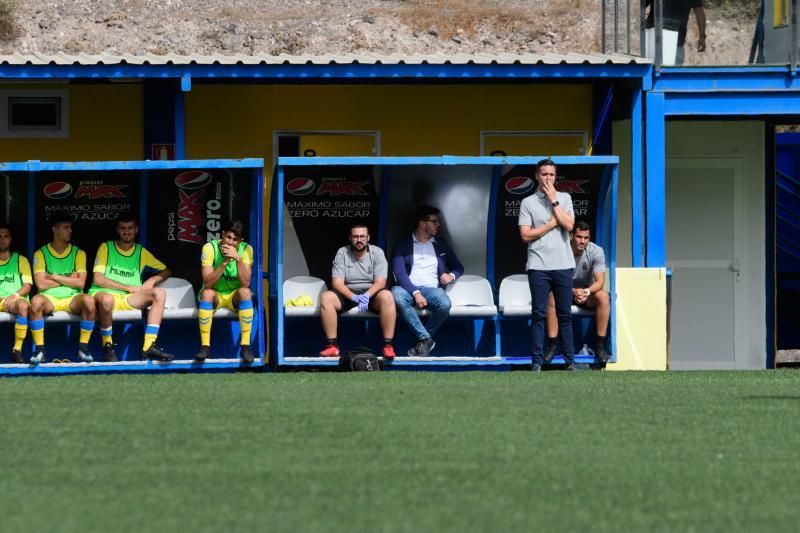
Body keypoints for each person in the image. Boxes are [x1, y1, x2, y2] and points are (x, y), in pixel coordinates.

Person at [518, 159, 579, 371]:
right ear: (537, 176)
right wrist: (552, 224)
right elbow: (525, 235)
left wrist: (554, 201)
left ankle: (569, 361)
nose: (548, 178)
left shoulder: (564, 198)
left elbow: (570, 225)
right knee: (539, 314)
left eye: (552, 175)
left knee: (565, 314)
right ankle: (536, 361)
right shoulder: (528, 202)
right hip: (538, 266)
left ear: (556, 176)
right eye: (544, 174)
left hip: (563, 265)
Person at [88, 214, 173, 362]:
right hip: (105, 295)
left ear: (136, 230)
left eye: (130, 228)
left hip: (128, 298)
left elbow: (167, 271)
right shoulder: (106, 247)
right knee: (107, 300)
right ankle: (107, 346)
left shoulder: (141, 252)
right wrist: (128, 287)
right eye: (123, 228)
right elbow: (98, 279)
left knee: (159, 293)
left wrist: (152, 280)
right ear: (117, 230)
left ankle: (148, 347)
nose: (126, 232)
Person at [391, 206, 463, 356]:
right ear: (422, 224)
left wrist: (451, 276)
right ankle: (425, 338)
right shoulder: (403, 244)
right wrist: (416, 293)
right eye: (434, 221)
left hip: (432, 289)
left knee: (444, 304)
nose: (438, 225)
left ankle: (423, 340)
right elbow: (400, 273)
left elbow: (458, 267)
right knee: (396, 296)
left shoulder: (440, 244)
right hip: (407, 289)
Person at [318, 223, 396, 359]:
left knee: (387, 296)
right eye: (355, 236)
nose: (359, 240)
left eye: (362, 236)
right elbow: (337, 283)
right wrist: (354, 297)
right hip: (347, 296)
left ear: (368, 238)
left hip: (371, 296)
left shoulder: (377, 252)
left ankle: (388, 346)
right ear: (350, 238)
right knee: (326, 297)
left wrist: (366, 295)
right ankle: (332, 346)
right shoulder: (342, 252)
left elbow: (380, 282)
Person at [29, 214, 96, 364]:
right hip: (49, 299)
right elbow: (40, 285)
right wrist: (69, 279)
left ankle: (83, 349)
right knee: (35, 301)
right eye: (66, 228)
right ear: (55, 230)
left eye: (70, 227)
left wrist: (53, 276)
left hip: (72, 298)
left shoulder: (79, 253)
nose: (70, 231)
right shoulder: (40, 253)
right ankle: (40, 350)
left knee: (89, 301)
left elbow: (81, 284)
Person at [545, 220, 611, 364]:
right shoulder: (560, 250)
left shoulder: (596, 251)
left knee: (604, 297)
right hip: (563, 290)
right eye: (579, 237)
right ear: (571, 236)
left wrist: (586, 291)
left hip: (585, 293)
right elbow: (553, 280)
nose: (582, 241)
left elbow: (600, 281)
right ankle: (552, 345)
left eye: (586, 238)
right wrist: (573, 291)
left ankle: (600, 345)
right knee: (552, 297)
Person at [194, 220, 256, 364]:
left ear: (240, 241)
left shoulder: (247, 249)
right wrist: (225, 262)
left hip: (234, 295)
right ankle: (205, 346)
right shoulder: (210, 248)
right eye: (228, 237)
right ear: (222, 235)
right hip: (215, 294)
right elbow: (208, 283)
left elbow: (246, 283)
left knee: (245, 292)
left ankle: (245, 346)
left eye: (235, 240)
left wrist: (238, 259)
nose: (230, 242)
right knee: (207, 294)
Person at [0, 224, 32, 364]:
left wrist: (13, 296)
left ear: (11, 239)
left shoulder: (21, 260)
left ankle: (17, 350)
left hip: (13, 300)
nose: (2, 240)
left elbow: (27, 286)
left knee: (23, 305)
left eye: (5, 236)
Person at [645, 0, 706, 65]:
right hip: (664, 39)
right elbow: (699, 11)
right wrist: (702, 36)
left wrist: (702, 36)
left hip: (665, 39)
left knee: (653, 70)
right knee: (672, 71)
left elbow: (699, 11)